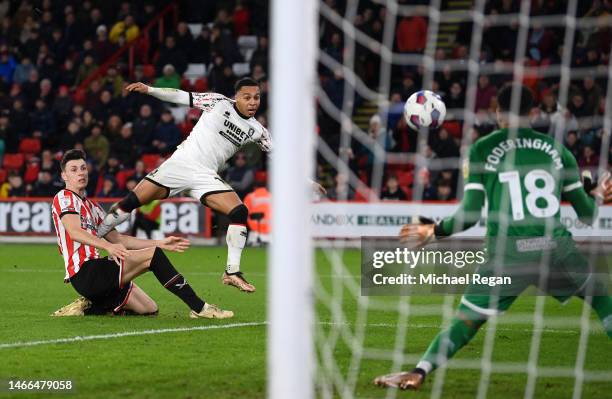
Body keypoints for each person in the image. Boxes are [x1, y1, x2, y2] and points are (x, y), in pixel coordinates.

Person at [374, 85, 612, 390]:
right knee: (601, 297)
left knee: (467, 320)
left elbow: (470, 215)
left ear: (498, 111)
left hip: (507, 254)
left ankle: (418, 372)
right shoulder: (558, 150)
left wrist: (433, 231)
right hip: (555, 248)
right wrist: (597, 196)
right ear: (533, 113)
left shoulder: (483, 149)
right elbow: (588, 215)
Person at [97, 78, 326, 293]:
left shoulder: (258, 130)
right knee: (131, 202)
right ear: (236, 97)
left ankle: (231, 272)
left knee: (239, 211)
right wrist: (150, 90)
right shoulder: (217, 102)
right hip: (180, 164)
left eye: (256, 97)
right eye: (247, 97)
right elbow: (181, 96)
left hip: (205, 176)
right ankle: (94, 237)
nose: (253, 102)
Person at [51, 149, 232, 319]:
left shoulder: (93, 207)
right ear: (64, 176)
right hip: (84, 272)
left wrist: (160, 243)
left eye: (83, 168)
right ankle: (200, 308)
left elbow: (119, 239)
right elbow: (74, 232)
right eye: (74, 170)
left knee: (149, 309)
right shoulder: (64, 197)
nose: (81, 173)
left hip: (99, 273)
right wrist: (109, 247)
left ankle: (91, 306)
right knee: (153, 257)